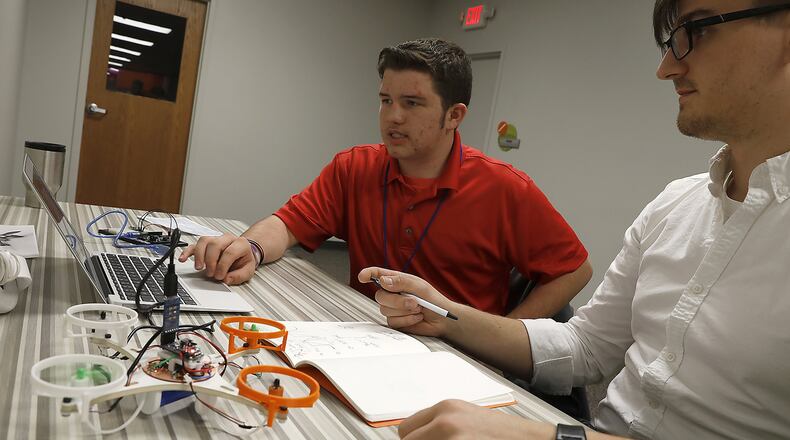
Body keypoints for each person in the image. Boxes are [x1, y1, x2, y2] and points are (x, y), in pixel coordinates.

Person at [363, 0, 790, 438]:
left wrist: (547, 436)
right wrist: (446, 314)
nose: (666, 68)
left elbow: (571, 270)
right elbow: (586, 347)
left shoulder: (503, 184)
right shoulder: (676, 204)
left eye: (696, 31)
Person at [180, 38, 591, 318]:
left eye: (412, 103)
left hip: (456, 354)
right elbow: (287, 224)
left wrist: (509, 337)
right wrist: (249, 248)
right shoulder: (354, 167)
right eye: (385, 100)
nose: (392, 117)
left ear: (455, 115)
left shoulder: (504, 187)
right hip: (362, 333)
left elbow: (576, 270)